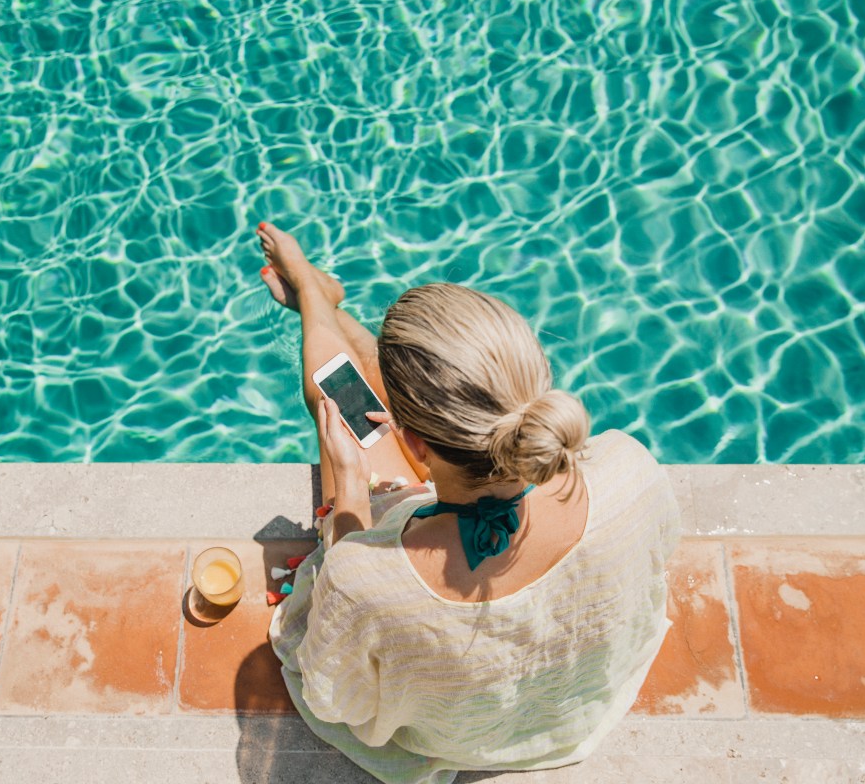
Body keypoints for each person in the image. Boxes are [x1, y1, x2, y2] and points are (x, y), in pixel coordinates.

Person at [258, 222, 680, 784]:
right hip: (577, 711)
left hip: (455, 734)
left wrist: (353, 491)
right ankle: (327, 303)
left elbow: (337, 697)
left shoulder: (368, 580)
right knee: (375, 403)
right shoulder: (631, 471)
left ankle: (314, 295)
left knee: (342, 405)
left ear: (413, 443)